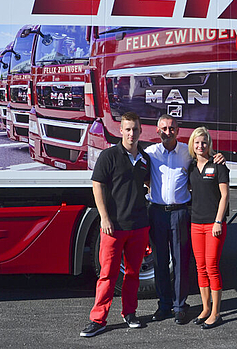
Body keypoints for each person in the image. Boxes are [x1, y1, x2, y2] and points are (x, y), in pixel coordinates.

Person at [144, 114, 224, 325]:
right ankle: (163, 305)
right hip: (157, 212)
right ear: (157, 130)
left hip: (180, 213)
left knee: (180, 262)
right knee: (160, 261)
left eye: (172, 128)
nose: (167, 132)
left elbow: (206, 157)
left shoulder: (187, 154)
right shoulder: (150, 153)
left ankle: (180, 307)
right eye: (164, 128)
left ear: (177, 131)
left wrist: (219, 156)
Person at [80, 112, 151, 337]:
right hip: (113, 227)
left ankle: (129, 313)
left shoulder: (144, 159)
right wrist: (104, 217)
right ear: (121, 130)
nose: (131, 133)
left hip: (138, 226)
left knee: (132, 274)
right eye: (127, 129)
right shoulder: (109, 156)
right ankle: (98, 319)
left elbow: (149, 184)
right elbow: (97, 186)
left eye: (135, 129)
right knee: (107, 275)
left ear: (141, 131)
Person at [187, 127, 229, 329]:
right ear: (192, 145)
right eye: (197, 142)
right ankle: (205, 308)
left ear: (209, 144)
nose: (200, 146)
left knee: (212, 267)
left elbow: (225, 196)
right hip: (196, 223)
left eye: (203, 142)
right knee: (200, 267)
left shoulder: (219, 165)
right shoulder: (191, 167)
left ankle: (216, 312)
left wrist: (218, 222)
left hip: (214, 225)